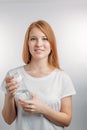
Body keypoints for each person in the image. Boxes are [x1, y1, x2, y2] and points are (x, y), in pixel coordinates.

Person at [1, 20, 76, 130]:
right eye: (33, 39)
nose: (39, 44)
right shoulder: (13, 76)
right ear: (27, 43)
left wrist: (43, 109)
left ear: (51, 44)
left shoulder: (62, 77)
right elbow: (8, 120)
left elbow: (67, 120)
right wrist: (10, 96)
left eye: (44, 39)